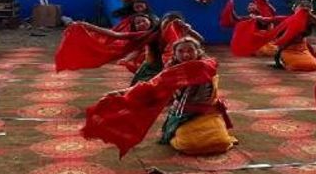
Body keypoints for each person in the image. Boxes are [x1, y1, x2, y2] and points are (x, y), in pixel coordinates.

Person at [81, 37, 233, 157]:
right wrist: (123, 93)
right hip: (182, 114)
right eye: (181, 51)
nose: (186, 55)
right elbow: (154, 84)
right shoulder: (173, 70)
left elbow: (156, 83)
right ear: (175, 54)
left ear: (198, 52)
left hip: (205, 112)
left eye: (190, 51)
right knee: (187, 144)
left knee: (218, 142)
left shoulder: (204, 66)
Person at [220, 0, 284, 57]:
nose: (249, 7)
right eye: (249, 5)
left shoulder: (265, 14)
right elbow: (238, 19)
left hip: (266, 41)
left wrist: (259, 19)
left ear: (257, 6)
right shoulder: (253, 16)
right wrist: (231, 9)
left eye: (251, 5)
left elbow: (267, 24)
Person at [274, 2, 316, 72]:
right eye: (300, 9)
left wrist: (309, 14)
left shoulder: (309, 20)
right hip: (288, 47)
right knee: (295, 64)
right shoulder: (288, 19)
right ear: (294, 9)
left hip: (301, 47)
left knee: (312, 65)